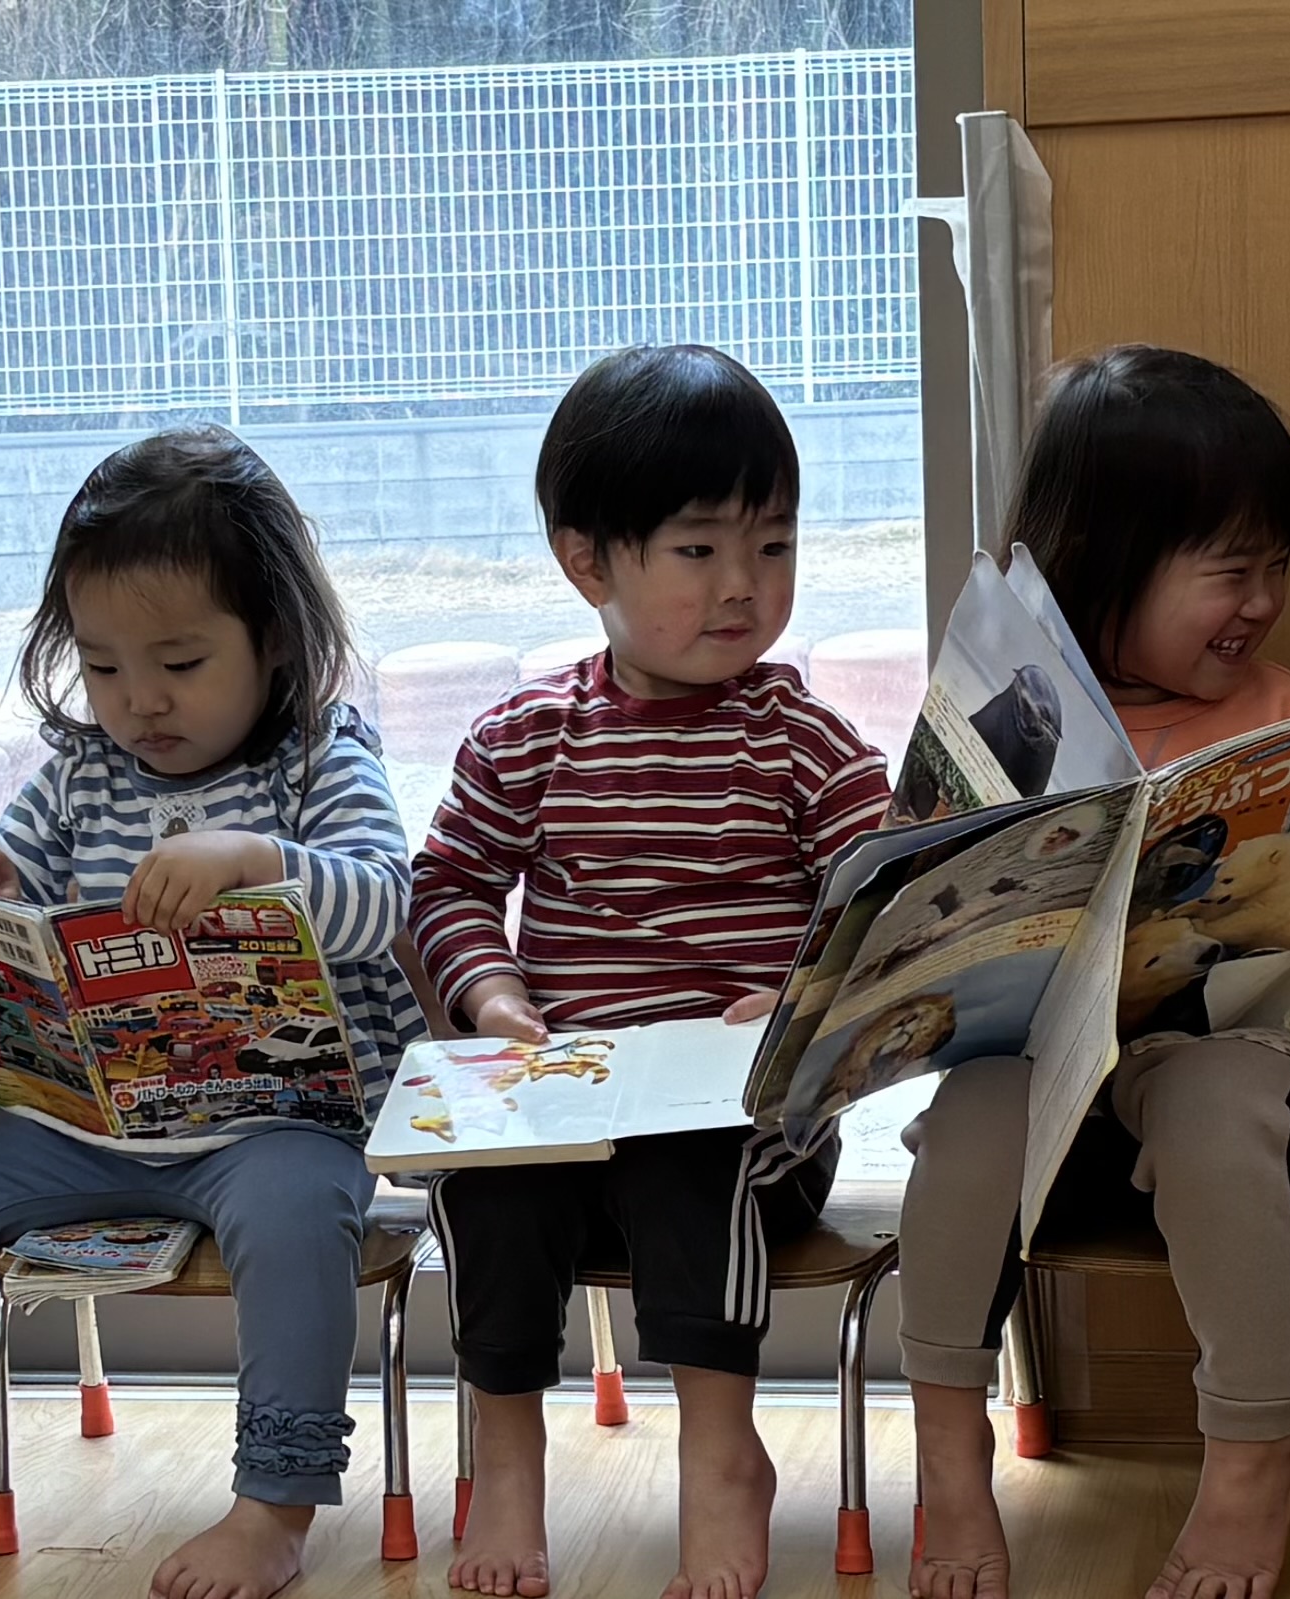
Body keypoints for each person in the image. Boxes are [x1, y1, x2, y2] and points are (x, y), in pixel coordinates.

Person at [898, 346, 1290, 1599]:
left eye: (1277, 566)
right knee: (970, 1115)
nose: (1263, 601)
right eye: (1230, 569)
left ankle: (1253, 1458)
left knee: (1214, 1106)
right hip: (1049, 1081)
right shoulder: (1006, 712)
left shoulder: (1284, 716)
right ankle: (946, 1452)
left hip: (1245, 1073)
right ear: (1105, 559)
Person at [0, 426, 425, 1599]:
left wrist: (256, 858)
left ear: (275, 640)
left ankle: (275, 1504)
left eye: (179, 661)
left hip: (280, 1128)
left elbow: (385, 898)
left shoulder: (319, 757)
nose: (140, 701)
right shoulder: (78, 777)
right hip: (91, 1125)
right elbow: (16, 916)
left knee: (295, 1218)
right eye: (105, 667)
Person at [410, 345, 894, 1599]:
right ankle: (506, 1459)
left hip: (748, 1121)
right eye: (698, 550)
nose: (744, 585)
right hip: (570, 1103)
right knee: (486, 1184)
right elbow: (448, 886)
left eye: (774, 545)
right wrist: (495, 998)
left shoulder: (803, 741)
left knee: (694, 1162)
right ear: (590, 564)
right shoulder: (528, 736)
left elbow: (886, 900)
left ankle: (722, 1457)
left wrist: (805, 993)